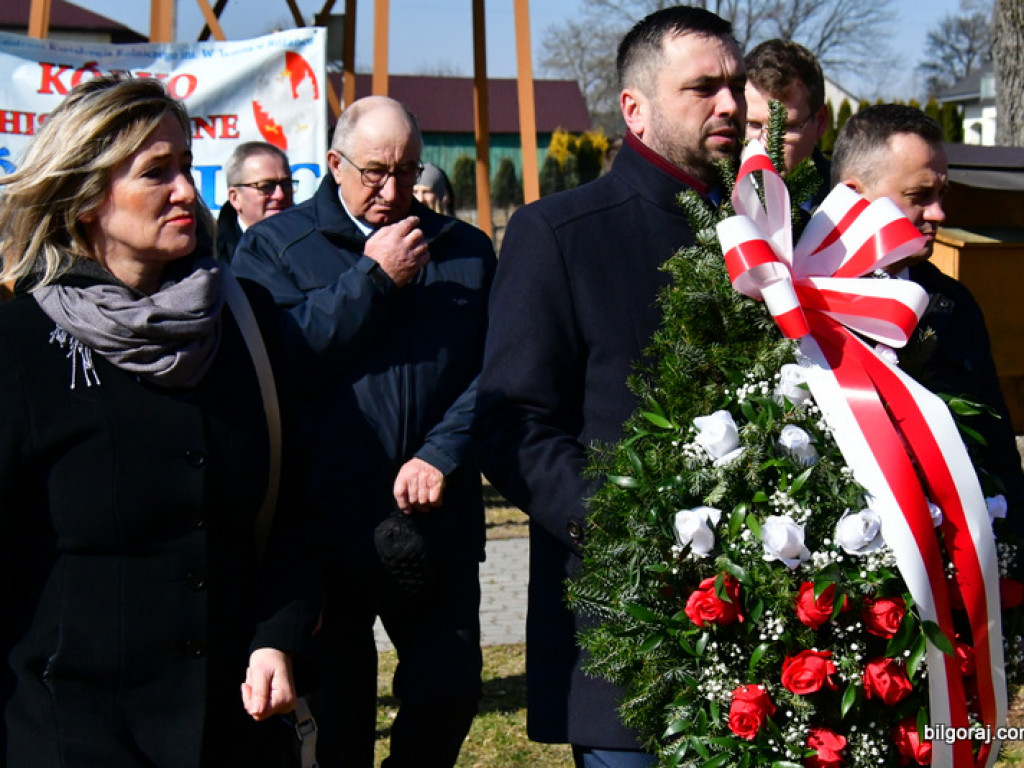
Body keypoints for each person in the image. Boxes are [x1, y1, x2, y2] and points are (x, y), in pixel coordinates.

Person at [0, 76, 321, 767]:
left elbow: (295, 511)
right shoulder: (19, 345)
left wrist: (277, 637)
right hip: (68, 730)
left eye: (186, 165)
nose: (185, 191)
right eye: (156, 172)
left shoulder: (247, 322)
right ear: (86, 196)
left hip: (233, 723)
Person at [474, 7, 745, 767]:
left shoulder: (771, 234)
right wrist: (634, 533)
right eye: (703, 88)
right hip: (630, 642)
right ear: (636, 108)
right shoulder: (561, 233)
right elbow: (513, 424)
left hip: (777, 639)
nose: (731, 104)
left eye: (736, 85)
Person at [231, 95, 496, 767]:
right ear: (334, 164)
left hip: (436, 519)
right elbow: (276, 362)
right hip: (325, 528)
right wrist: (372, 279)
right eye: (375, 172)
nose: (393, 190)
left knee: (449, 692)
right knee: (339, 721)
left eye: (408, 171)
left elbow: (497, 368)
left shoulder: (464, 250)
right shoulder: (275, 246)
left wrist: (442, 451)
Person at [832, 103, 1024, 528]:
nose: (938, 214)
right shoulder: (799, 297)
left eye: (942, 195)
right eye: (919, 196)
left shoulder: (953, 304)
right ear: (855, 196)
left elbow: (996, 449)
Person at [744, 39, 831, 208]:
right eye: (753, 125)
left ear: (820, 121)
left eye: (785, 128)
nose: (767, 145)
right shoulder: (707, 198)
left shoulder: (849, 208)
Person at [216, 141, 295, 262]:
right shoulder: (213, 254)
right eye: (266, 186)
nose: (280, 195)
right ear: (235, 198)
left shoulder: (313, 242)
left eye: (286, 184)